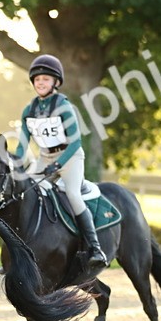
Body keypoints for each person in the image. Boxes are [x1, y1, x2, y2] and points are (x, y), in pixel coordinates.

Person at [11, 54, 108, 270]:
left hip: (70, 156)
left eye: (45, 79)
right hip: (45, 157)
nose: (40, 83)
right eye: (37, 79)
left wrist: (58, 164)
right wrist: (16, 162)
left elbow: (75, 142)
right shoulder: (29, 110)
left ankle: (95, 248)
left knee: (73, 194)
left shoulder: (64, 107)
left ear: (55, 82)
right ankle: (19, 249)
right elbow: (23, 144)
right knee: (24, 191)